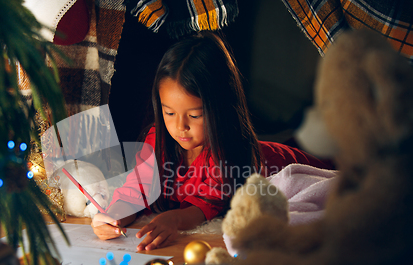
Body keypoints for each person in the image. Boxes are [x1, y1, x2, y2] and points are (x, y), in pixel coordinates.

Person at [91, 32, 332, 251]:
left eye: (194, 115)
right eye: (169, 113)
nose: (179, 126)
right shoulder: (157, 140)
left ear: (220, 109)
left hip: (288, 162)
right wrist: (113, 216)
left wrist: (174, 218)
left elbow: (206, 207)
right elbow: (137, 190)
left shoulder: (225, 151)